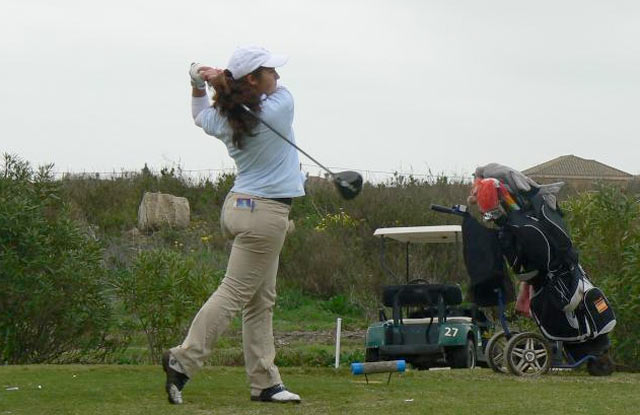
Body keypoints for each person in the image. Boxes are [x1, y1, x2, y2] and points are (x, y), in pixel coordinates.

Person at [162, 45, 305, 405]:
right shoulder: (281, 105)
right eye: (270, 70)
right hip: (266, 215)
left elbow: (198, 115)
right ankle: (183, 359)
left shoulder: (226, 117)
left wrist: (198, 81)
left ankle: (265, 383)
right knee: (234, 294)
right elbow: (271, 93)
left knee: (260, 300)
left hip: (240, 207)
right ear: (254, 79)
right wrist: (222, 80)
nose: (278, 76)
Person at [470, 171, 616, 376]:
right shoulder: (521, 222)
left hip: (554, 279)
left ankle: (587, 353)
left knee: (567, 311)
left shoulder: (521, 224)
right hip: (555, 278)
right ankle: (587, 353)